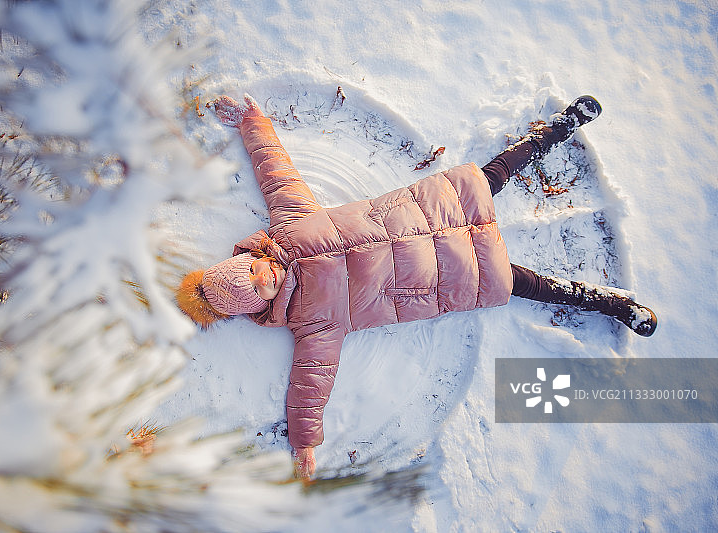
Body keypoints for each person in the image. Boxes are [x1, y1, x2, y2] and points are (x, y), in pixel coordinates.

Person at [176, 93, 657, 479]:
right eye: (259, 288)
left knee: (493, 174)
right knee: (526, 284)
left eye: (256, 268)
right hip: (440, 274)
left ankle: (559, 127)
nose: (268, 277)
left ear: (252, 256)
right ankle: (612, 304)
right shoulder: (310, 321)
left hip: (425, 211)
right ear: (256, 306)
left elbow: (277, 175)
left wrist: (252, 121)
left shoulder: (289, 228)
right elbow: (311, 381)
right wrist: (305, 440)